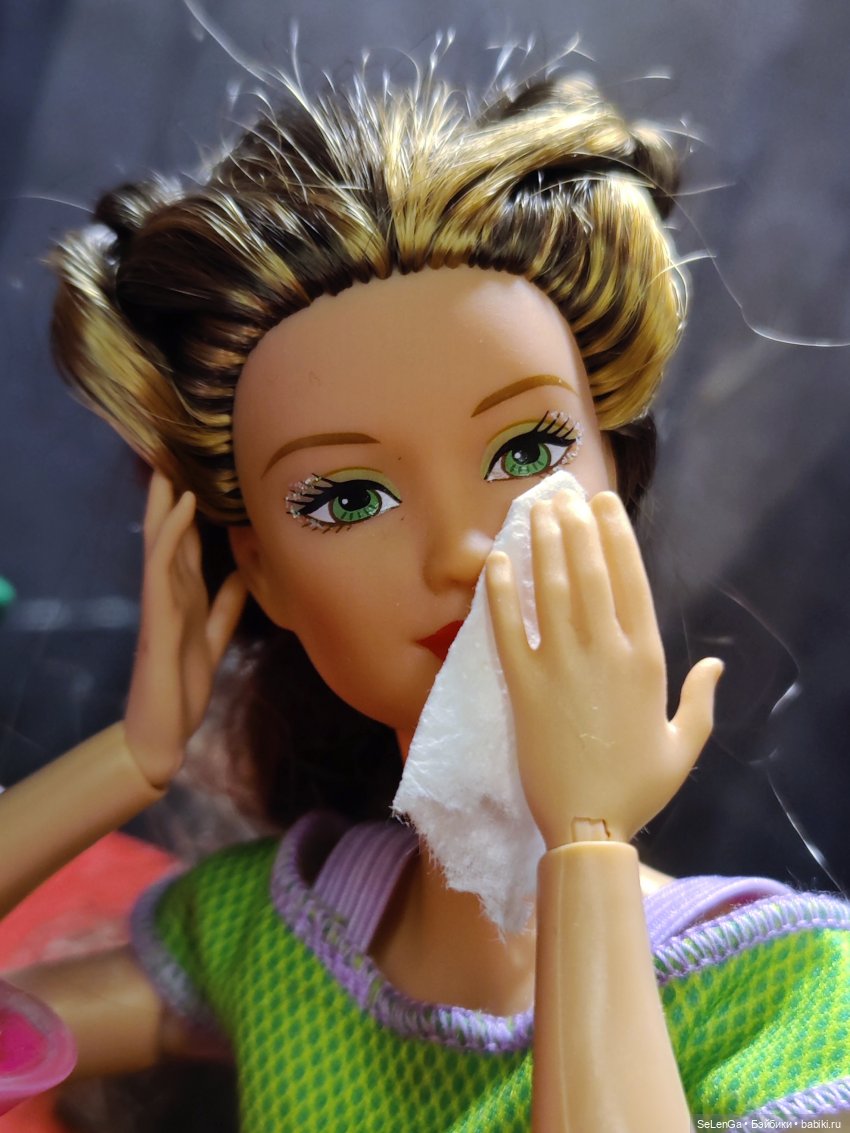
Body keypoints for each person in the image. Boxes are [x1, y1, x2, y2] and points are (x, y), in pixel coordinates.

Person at [2, 67, 849, 1132]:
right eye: (349, 497)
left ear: (615, 478)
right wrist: (127, 761)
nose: (461, 548)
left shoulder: (785, 1007)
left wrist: (587, 841)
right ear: (263, 573)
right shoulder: (282, 934)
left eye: (527, 450)